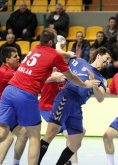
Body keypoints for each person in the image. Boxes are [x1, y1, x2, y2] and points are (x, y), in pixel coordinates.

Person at [0, 28, 100, 165]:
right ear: (51, 41)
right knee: (34, 136)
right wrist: (86, 84)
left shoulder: (35, 49)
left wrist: (64, 51)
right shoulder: (54, 55)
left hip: (9, 91)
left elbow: (52, 56)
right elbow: (71, 77)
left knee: (1, 133)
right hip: (25, 94)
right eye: (56, 39)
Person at [37, 46, 112, 165]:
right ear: (98, 55)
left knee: (76, 142)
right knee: (50, 134)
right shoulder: (78, 61)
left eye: (109, 61)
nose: (107, 62)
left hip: (77, 106)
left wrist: (94, 85)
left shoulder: (101, 79)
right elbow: (56, 55)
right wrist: (65, 53)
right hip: (66, 97)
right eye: (106, 58)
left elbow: (100, 98)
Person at [38, 36, 84, 165]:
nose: (67, 60)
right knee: (65, 133)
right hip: (47, 107)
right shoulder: (52, 67)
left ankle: (69, 161)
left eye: (68, 59)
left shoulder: (68, 71)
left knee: (79, 133)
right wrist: (61, 45)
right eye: (65, 57)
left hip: (60, 106)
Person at [0, 47, 28, 165]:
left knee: (24, 132)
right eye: (15, 56)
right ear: (7, 60)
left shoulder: (13, 68)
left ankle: (15, 163)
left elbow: (26, 68)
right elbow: (28, 79)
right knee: (7, 137)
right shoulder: (5, 73)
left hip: (8, 111)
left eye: (18, 55)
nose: (18, 57)